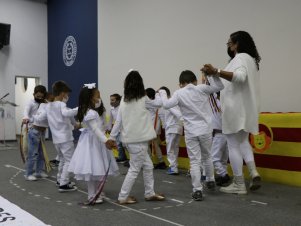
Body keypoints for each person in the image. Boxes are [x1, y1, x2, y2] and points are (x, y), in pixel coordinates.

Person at [201, 30, 262, 194]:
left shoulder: (240, 58)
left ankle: (239, 184)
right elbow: (222, 84)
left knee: (233, 145)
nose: (228, 45)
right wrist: (213, 74)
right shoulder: (250, 60)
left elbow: (239, 77)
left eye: (230, 42)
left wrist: (217, 71)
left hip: (235, 109)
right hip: (246, 109)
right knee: (242, 142)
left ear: (237, 44)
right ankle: (253, 172)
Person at [159, 70, 224, 201]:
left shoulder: (178, 93)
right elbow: (220, 86)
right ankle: (210, 179)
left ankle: (197, 190)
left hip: (191, 131)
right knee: (208, 156)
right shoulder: (201, 88)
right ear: (194, 81)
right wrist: (212, 74)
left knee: (195, 161)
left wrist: (162, 93)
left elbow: (165, 105)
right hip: (205, 129)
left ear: (181, 83)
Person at [110, 70, 165, 204]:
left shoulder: (124, 99)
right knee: (134, 169)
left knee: (148, 166)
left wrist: (111, 137)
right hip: (139, 142)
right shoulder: (143, 98)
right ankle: (123, 197)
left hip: (130, 141)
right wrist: (161, 93)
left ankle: (149, 193)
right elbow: (159, 103)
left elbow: (118, 121)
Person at [68, 84, 119, 203]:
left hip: (97, 141)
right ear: (90, 98)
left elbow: (100, 128)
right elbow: (95, 129)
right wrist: (106, 141)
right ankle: (92, 195)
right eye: (97, 96)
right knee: (91, 169)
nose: (99, 99)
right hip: (91, 143)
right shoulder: (89, 112)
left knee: (98, 168)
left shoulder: (93, 111)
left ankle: (98, 192)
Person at [35, 81, 78, 192]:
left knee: (63, 159)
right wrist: (81, 108)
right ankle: (63, 184)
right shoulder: (62, 105)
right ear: (63, 93)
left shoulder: (48, 106)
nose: (67, 96)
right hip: (65, 138)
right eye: (67, 94)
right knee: (69, 160)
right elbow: (66, 113)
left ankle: (60, 179)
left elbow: (39, 118)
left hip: (56, 139)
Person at [23, 85, 47, 181]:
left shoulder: (45, 103)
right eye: (38, 96)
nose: (40, 98)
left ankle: (39, 172)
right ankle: (28, 174)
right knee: (32, 154)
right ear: (34, 94)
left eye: (42, 96)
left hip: (42, 131)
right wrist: (25, 117)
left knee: (41, 153)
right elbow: (26, 112)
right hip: (33, 131)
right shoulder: (30, 103)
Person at [159, 86, 183, 175]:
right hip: (177, 128)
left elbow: (178, 114)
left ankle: (173, 168)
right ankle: (174, 167)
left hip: (172, 128)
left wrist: (183, 120)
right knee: (175, 148)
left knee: (170, 149)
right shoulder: (173, 101)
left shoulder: (169, 103)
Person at [209, 92, 230, 186]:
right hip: (229, 134)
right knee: (223, 158)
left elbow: (210, 92)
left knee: (214, 158)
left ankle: (223, 174)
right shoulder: (228, 103)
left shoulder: (215, 102)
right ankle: (223, 176)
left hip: (219, 134)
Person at [145, 88, 167, 169]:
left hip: (151, 128)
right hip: (154, 128)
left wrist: (157, 94)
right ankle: (160, 162)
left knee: (146, 145)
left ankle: (149, 162)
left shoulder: (150, 103)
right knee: (156, 145)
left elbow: (161, 116)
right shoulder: (155, 103)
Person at [106, 93, 128, 163]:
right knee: (118, 144)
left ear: (118, 101)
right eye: (110, 100)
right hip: (117, 129)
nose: (111, 101)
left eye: (113, 100)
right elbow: (110, 119)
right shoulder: (111, 108)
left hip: (124, 129)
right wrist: (109, 128)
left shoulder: (122, 108)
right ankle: (122, 157)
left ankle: (131, 159)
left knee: (126, 145)